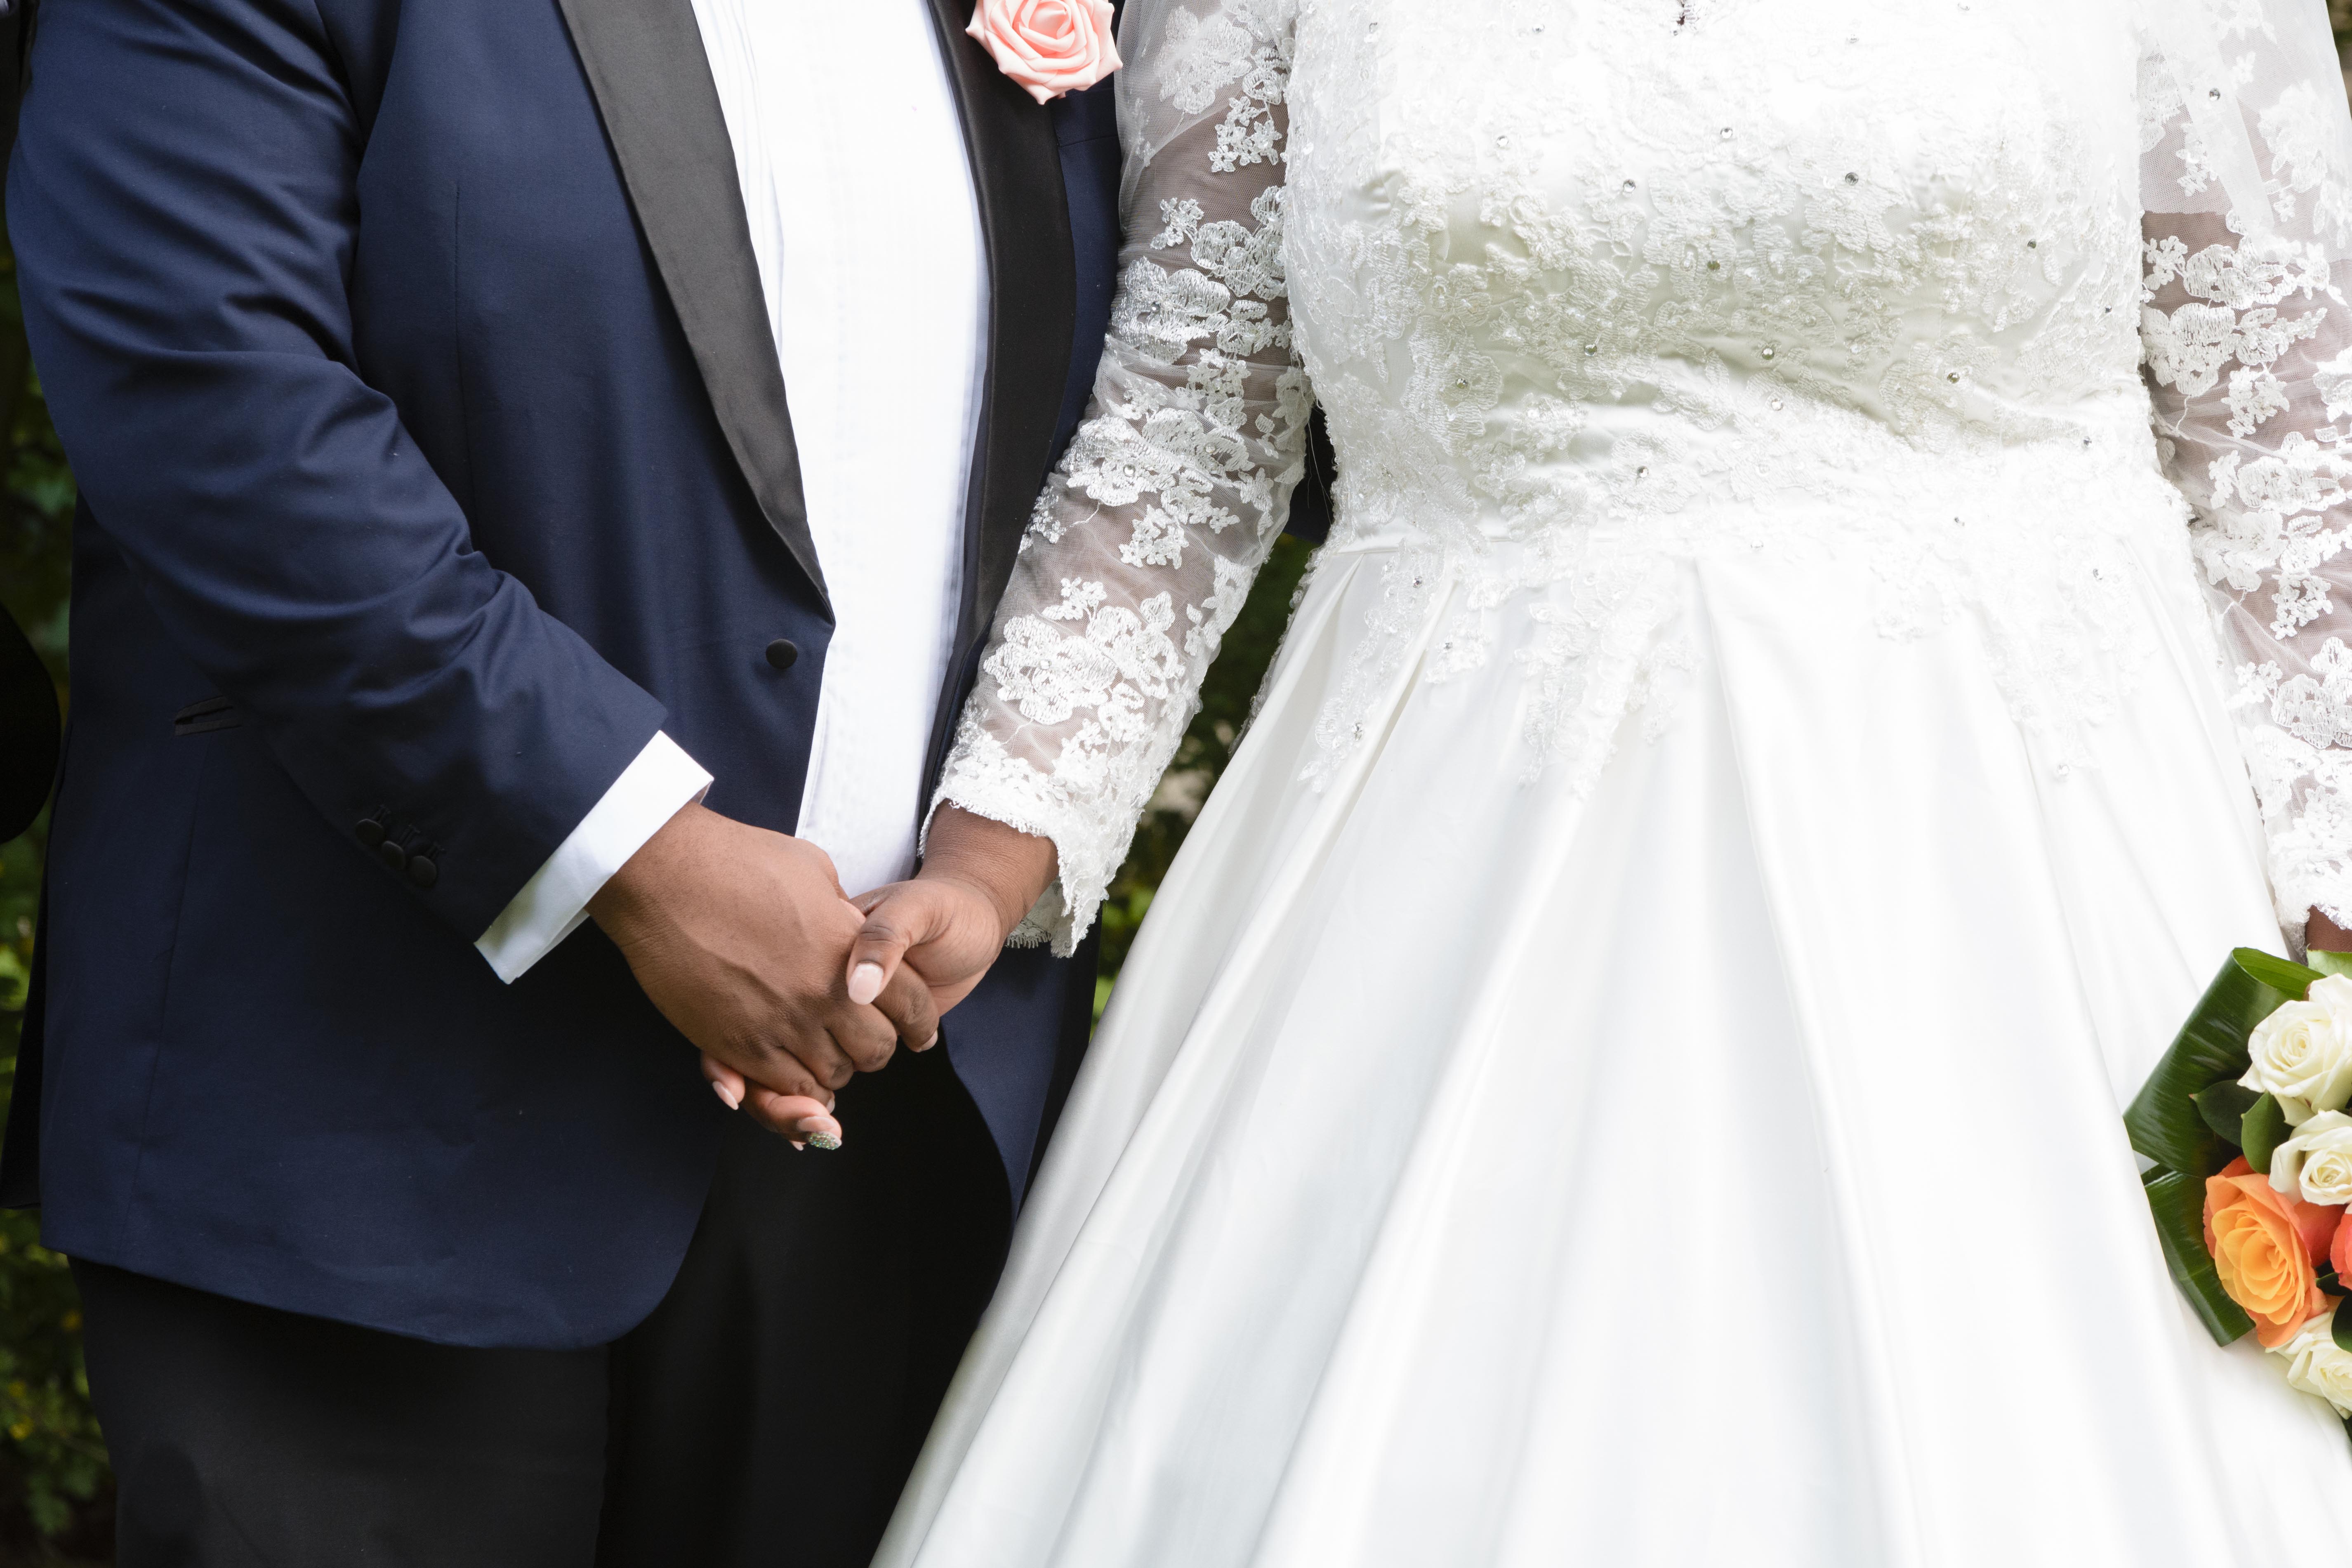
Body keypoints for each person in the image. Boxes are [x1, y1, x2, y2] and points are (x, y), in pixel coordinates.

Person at [838, 0, 2352, 1561]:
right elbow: (1192, 417)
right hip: (1439, 878)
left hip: (2043, 882)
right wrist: (988, 854)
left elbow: (2300, 462)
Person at [2, 0, 1122, 1562]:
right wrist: (636, 852)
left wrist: (996, 859)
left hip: (892, 1123)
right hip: (364, 1103)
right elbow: (213, 392)